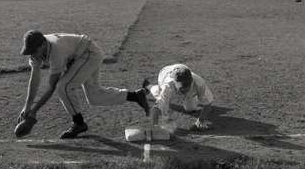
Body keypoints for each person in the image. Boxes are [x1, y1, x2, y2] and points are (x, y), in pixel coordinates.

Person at [17, 30, 149, 139]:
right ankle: (136, 95)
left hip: (88, 54)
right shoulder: (37, 52)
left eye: (33, 51)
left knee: (63, 86)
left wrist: (34, 112)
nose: (32, 55)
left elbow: (51, 87)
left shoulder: (56, 51)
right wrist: (27, 107)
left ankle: (78, 123)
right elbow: (34, 80)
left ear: (42, 45)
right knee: (95, 97)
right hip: (80, 56)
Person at [143, 64, 214, 131]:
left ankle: (191, 97)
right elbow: (157, 108)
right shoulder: (168, 86)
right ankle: (148, 86)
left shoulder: (199, 83)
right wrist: (155, 127)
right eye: (181, 88)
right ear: (175, 83)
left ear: (191, 81)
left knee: (191, 108)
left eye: (187, 87)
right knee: (159, 94)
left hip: (183, 71)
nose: (184, 90)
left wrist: (201, 120)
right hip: (164, 74)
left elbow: (208, 102)